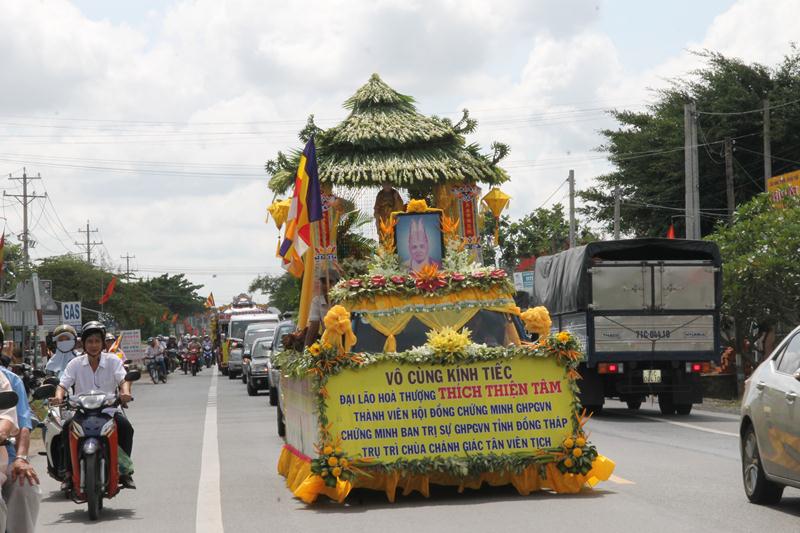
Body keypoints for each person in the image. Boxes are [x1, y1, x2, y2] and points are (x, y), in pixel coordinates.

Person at [53, 321, 136, 489]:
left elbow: (123, 380)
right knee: (67, 428)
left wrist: (125, 393)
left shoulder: (113, 361)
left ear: (103, 343)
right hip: (82, 412)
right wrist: (58, 397)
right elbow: (62, 385)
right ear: (83, 343)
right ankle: (69, 474)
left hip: (109, 410)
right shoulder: (75, 364)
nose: (93, 345)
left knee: (126, 428)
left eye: (97, 341)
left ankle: (124, 471)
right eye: (89, 341)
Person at [0, 328, 39, 533]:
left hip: (5, 452)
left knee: (25, 486)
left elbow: (19, 423)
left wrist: (21, 458)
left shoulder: (7, 381)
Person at [305, 272, 339, 346]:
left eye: (330, 282)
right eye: (323, 282)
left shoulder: (343, 300)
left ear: (337, 284)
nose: (326, 285)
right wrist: (306, 350)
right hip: (327, 343)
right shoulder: (317, 301)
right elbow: (314, 326)